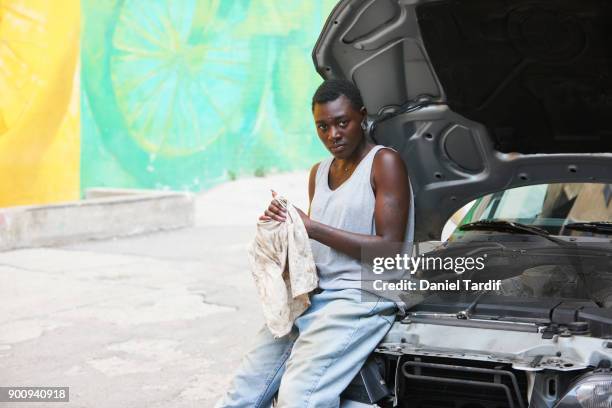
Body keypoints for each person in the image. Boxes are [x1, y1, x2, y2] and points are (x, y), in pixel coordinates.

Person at [215, 78, 412, 407]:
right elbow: (315, 243)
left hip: (361, 297)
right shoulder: (318, 173)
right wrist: (284, 227)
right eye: (322, 127)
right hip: (311, 295)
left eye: (341, 123)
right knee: (243, 391)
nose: (332, 135)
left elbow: (389, 249)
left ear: (362, 116)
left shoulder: (384, 162)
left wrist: (311, 226)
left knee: (300, 397)